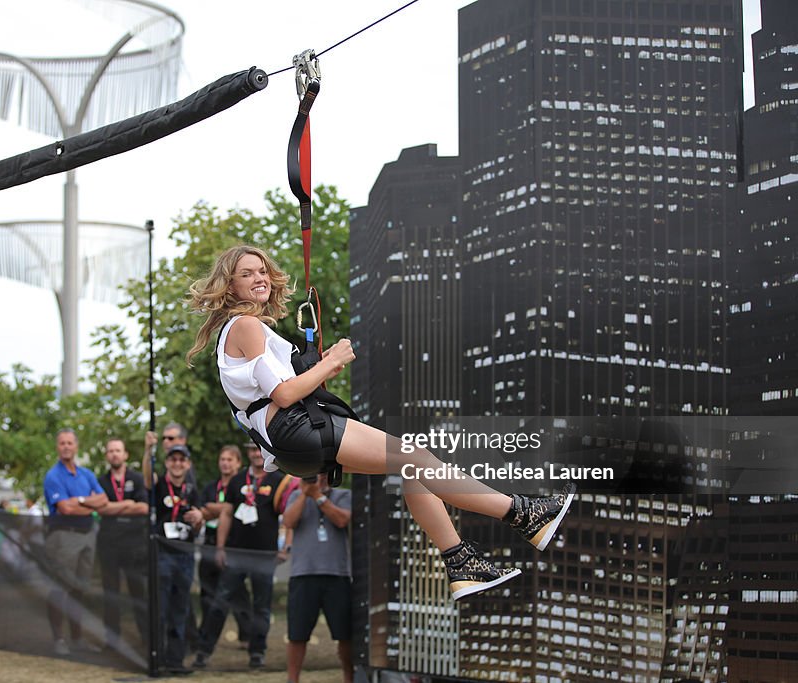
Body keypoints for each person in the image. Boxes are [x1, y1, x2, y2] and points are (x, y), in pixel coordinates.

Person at [187, 245, 575, 600]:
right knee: (418, 457)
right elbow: (284, 395)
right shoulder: (246, 325)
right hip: (297, 428)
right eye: (246, 274)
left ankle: (461, 562)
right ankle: (521, 513)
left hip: (290, 445)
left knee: (411, 469)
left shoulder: (237, 332)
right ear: (230, 285)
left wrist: (318, 370)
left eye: (262, 271)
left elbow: (281, 390)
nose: (259, 279)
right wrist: (332, 360)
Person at [193, 440, 292, 670]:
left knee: (262, 607)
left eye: (260, 448)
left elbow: (288, 515)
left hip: (264, 555)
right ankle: (204, 651)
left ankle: (257, 652)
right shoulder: (238, 481)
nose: (257, 453)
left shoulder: (279, 479)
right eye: (253, 449)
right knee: (220, 602)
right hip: (236, 553)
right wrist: (220, 547)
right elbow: (226, 514)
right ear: (247, 453)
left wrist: (286, 545)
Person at [282, 474, 353, 683]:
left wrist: (319, 497)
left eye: (320, 474)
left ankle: (349, 676)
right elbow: (288, 521)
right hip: (303, 574)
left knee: (345, 633)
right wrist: (306, 495)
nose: (316, 478)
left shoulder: (343, 495)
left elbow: (342, 520)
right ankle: (292, 679)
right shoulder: (296, 495)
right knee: (297, 633)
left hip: (337, 574)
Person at [42, 428, 107, 656]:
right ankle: (58, 639)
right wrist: (89, 504)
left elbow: (103, 500)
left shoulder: (86, 474)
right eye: (62, 443)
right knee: (60, 588)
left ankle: (77, 639)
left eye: (70, 442)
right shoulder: (53, 476)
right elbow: (65, 509)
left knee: (79, 589)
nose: (66, 446)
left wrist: (80, 500)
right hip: (63, 536)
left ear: (76, 446)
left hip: (87, 536)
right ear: (57, 447)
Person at [152, 444, 203, 676]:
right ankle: (157, 659)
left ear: (188, 464)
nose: (177, 464)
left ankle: (175, 660)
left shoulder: (192, 489)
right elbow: (146, 475)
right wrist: (147, 450)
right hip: (162, 554)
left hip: (185, 555)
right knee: (160, 609)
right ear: (166, 463)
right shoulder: (158, 485)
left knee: (180, 609)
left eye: (182, 460)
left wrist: (199, 517)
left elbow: (199, 520)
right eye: (173, 459)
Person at [95, 437, 149, 649]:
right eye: (111, 451)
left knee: (138, 591)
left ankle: (146, 639)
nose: (114, 454)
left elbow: (143, 508)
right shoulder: (100, 481)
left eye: (118, 450)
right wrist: (127, 504)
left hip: (134, 543)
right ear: (107, 456)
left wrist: (114, 506)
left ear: (125, 454)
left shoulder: (136, 479)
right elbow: (100, 509)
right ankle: (112, 640)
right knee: (111, 593)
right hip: (108, 543)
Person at [197, 445, 253, 648]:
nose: (225, 463)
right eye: (222, 459)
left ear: (238, 463)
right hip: (210, 543)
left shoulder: (243, 486)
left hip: (234, 542)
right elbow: (204, 510)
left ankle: (246, 635)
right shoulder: (211, 487)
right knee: (207, 592)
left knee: (238, 594)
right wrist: (219, 510)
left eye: (230, 459)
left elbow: (235, 509)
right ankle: (205, 635)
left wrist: (217, 508)